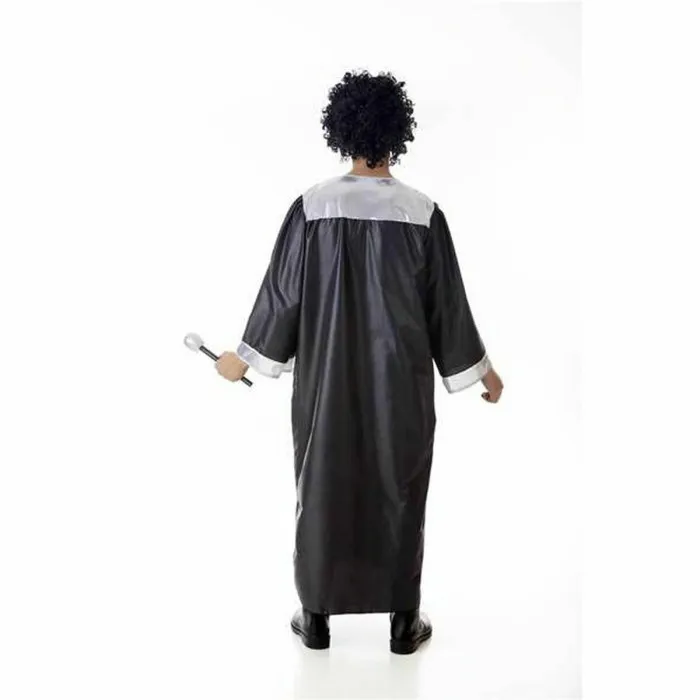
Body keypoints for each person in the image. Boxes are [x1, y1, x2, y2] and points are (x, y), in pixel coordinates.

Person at [215, 70, 503, 654]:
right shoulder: (422, 212)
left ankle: (316, 617)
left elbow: (282, 296)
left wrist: (242, 360)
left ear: (341, 131)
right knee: (401, 486)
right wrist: (482, 371)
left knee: (322, 483)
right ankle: (403, 623)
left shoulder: (312, 207)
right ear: (399, 132)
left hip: (326, 380)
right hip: (402, 383)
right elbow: (447, 306)